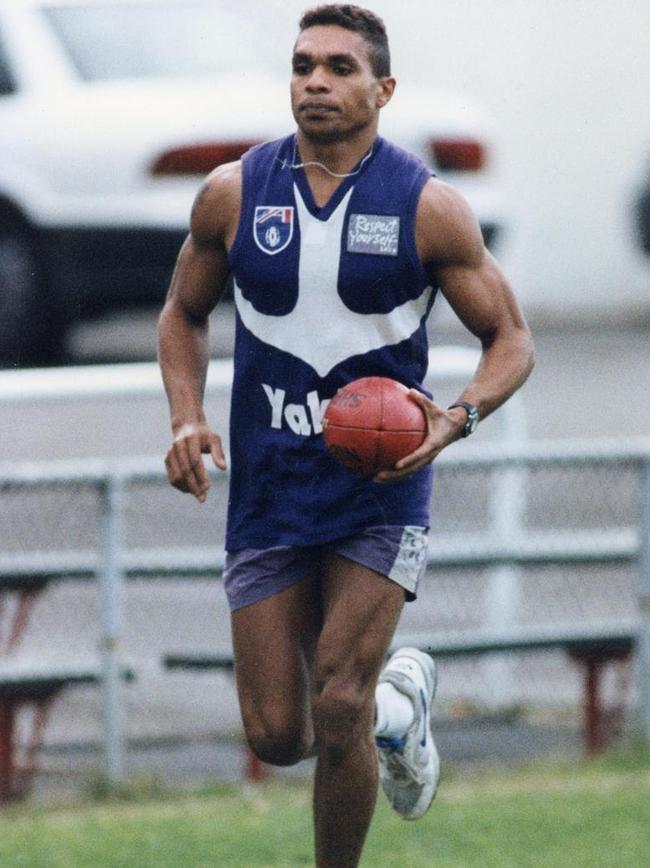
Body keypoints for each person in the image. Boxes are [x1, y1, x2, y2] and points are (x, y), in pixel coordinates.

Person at [158, 4, 534, 866]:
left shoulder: (427, 207)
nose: (315, 82)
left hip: (381, 487)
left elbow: (511, 339)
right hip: (271, 489)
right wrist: (186, 416)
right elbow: (182, 313)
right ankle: (401, 709)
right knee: (279, 734)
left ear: (383, 88)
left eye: (337, 67)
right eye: (302, 66)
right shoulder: (234, 193)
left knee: (336, 701)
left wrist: (459, 414)